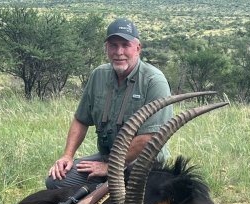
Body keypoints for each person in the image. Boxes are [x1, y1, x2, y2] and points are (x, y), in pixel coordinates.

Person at [46, 18, 173, 189]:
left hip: (144, 165)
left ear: (138, 48)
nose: (119, 52)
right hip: (107, 158)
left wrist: (110, 168)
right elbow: (81, 120)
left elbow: (149, 138)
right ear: (106, 48)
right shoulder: (99, 75)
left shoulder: (154, 81)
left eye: (125, 45)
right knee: (56, 181)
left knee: (122, 199)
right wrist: (67, 156)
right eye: (113, 45)